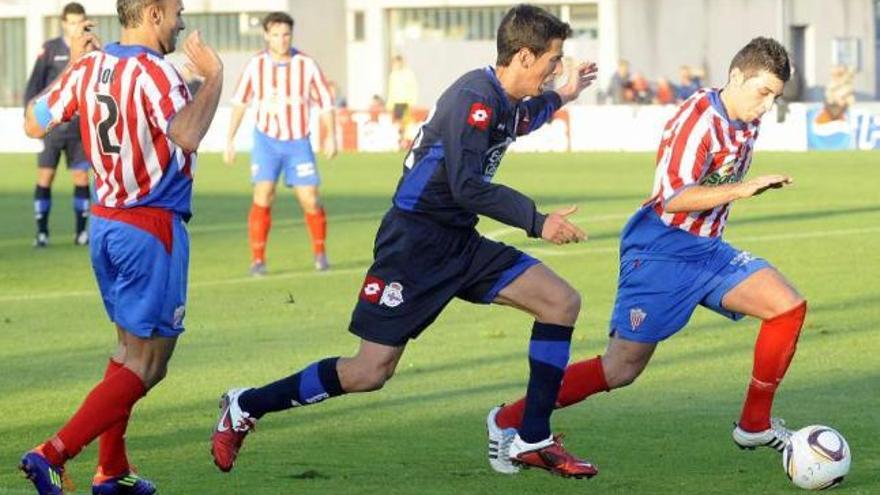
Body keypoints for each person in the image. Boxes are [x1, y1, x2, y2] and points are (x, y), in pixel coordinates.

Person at [212, 4, 601, 479]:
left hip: (458, 239)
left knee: (561, 301)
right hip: (414, 243)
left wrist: (563, 94)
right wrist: (536, 221)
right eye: (552, 59)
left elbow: (521, 119)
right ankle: (245, 405)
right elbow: (466, 186)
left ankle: (529, 437)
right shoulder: (474, 98)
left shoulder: (500, 98)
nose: (555, 67)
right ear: (523, 56)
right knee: (369, 372)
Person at [489, 37, 806, 475]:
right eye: (763, 92)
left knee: (787, 306)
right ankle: (508, 420)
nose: (767, 105)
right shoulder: (699, 121)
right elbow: (674, 199)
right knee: (620, 369)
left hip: (707, 250)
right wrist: (742, 188)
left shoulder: (746, 119)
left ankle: (754, 424)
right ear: (735, 77)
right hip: (661, 251)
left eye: (775, 95)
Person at [19, 0, 223, 493]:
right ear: (152, 13)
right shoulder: (156, 73)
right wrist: (214, 75)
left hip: (107, 227)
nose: (181, 23)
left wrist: (71, 60)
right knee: (151, 364)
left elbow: (33, 121)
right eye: (176, 13)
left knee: (127, 353)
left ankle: (111, 471)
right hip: (150, 227)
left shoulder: (89, 65)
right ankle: (51, 453)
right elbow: (188, 134)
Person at [223, 11, 337, 276]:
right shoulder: (255, 65)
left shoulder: (306, 64)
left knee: (309, 199)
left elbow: (325, 103)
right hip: (266, 141)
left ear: (291, 36)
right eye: (275, 34)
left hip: (298, 142)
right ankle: (258, 260)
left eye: (286, 34)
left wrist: (331, 135)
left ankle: (320, 253)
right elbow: (240, 102)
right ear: (266, 36)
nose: (281, 40)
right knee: (263, 195)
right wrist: (229, 139)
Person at [24, 2, 91, 247]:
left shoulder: (91, 48)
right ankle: (41, 232)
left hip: (78, 129)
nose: (75, 27)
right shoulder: (50, 49)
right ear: (64, 23)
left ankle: (81, 233)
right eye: (71, 22)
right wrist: (31, 119)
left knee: (82, 177)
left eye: (79, 21)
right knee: (45, 177)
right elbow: (34, 87)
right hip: (51, 128)